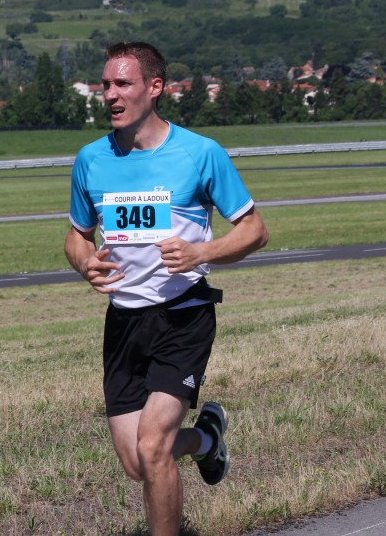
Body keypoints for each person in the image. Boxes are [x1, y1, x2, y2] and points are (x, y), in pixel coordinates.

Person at [64, 41, 269, 536]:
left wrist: (202, 252)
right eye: (106, 85)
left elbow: (254, 231)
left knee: (153, 445)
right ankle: (206, 440)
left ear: (155, 87)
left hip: (183, 314)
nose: (110, 94)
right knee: (137, 462)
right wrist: (85, 262)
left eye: (123, 83)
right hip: (124, 320)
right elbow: (76, 235)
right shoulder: (91, 160)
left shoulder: (200, 153)